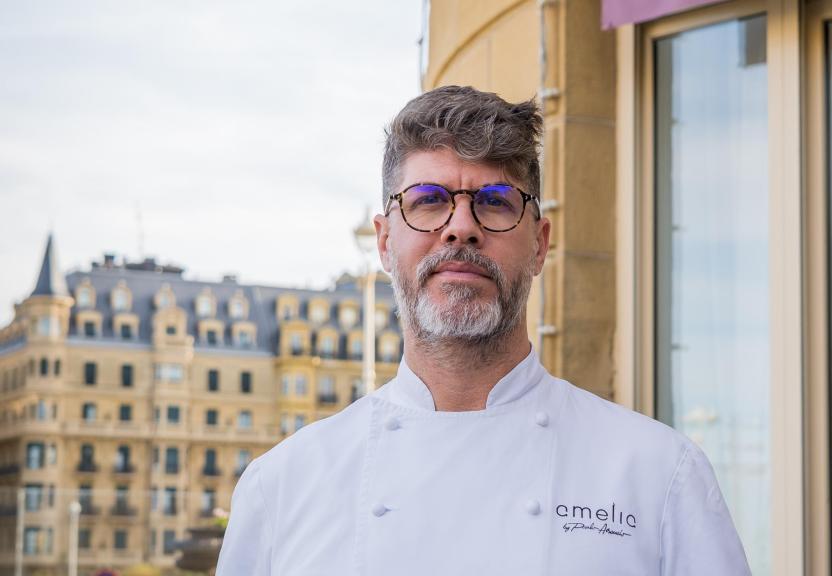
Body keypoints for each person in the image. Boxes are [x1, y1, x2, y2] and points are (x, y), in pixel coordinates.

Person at [217, 85, 751, 575]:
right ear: (383, 242)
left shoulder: (659, 476)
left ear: (540, 244)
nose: (461, 227)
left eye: (495, 203)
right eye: (428, 200)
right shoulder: (280, 487)